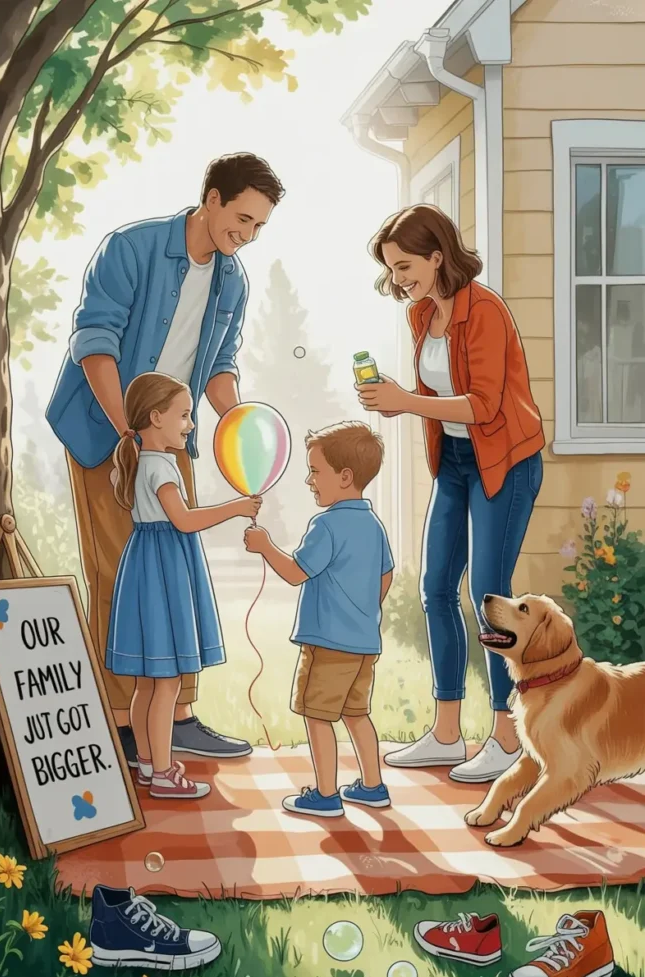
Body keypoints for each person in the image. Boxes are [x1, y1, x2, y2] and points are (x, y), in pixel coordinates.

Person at [46, 152, 284, 767]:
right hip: (109, 433)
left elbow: (221, 367)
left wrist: (238, 432)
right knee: (118, 571)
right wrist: (130, 434)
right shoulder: (132, 248)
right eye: (241, 219)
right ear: (210, 199)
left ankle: (177, 715)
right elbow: (95, 346)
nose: (247, 235)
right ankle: (124, 722)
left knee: (176, 573)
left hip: (173, 439)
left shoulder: (232, 279)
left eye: (258, 227)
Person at [357, 204, 544, 784]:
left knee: (488, 593)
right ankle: (444, 733)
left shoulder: (484, 310)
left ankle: (507, 737)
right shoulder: (422, 315)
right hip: (457, 463)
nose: (398, 279)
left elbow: (485, 406)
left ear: (439, 256)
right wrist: (396, 396)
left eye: (405, 265)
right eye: (391, 269)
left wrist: (405, 401)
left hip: (505, 462)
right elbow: (438, 391)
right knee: (436, 587)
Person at [107, 372, 261, 797]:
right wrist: (235, 508)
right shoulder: (160, 465)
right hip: (165, 568)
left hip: (147, 564)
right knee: (168, 682)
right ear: (156, 417)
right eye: (184, 416)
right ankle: (161, 773)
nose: (191, 425)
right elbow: (184, 520)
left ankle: (143, 762)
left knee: (145, 680)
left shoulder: (144, 459)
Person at [244, 422, 394, 818]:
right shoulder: (373, 524)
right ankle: (373, 786)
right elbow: (386, 576)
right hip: (364, 644)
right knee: (356, 714)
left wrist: (264, 547)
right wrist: (363, 612)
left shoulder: (326, 525)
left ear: (345, 477)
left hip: (328, 643)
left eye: (315, 471)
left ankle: (326, 795)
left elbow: (296, 572)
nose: (309, 480)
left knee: (317, 716)